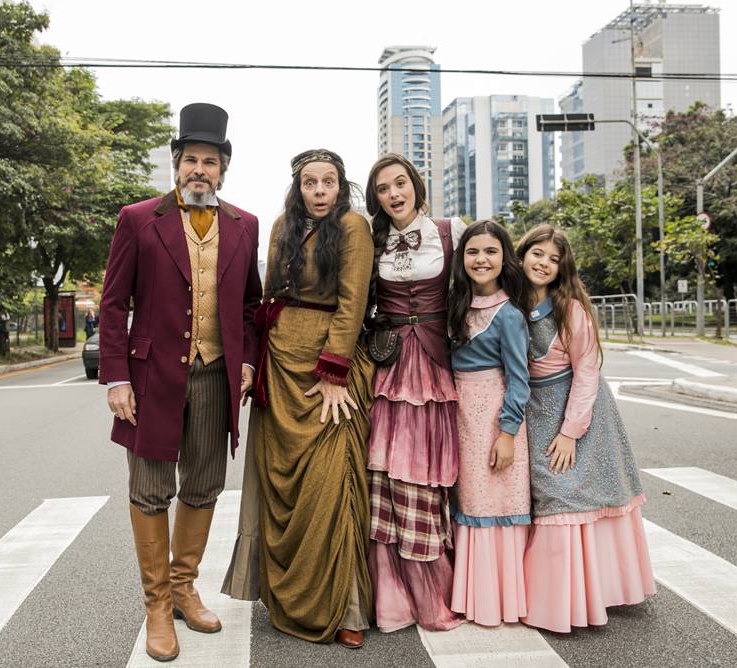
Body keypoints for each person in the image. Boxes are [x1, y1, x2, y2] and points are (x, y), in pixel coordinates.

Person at [99, 103, 261, 662]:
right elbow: (114, 302)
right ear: (175, 165)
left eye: (210, 162)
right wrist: (116, 376)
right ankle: (156, 605)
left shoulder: (245, 224)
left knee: (203, 484)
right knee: (149, 489)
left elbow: (248, 305)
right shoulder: (138, 218)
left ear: (223, 170)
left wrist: (246, 363)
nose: (200, 169)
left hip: (215, 375)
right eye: (190, 159)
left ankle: (185, 585)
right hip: (150, 378)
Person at [224, 149, 375, 648]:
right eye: (310, 182)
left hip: (325, 365)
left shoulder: (353, 226)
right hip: (279, 361)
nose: (319, 191)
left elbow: (353, 300)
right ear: (298, 187)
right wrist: (252, 362)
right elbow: (265, 298)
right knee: (277, 482)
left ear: (340, 185)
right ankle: (284, 598)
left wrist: (335, 371)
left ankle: (345, 607)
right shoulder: (279, 226)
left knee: (331, 485)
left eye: (328, 181)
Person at [515, 224, 656, 633]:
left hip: (577, 411)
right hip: (532, 410)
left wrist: (570, 430)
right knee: (548, 496)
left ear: (563, 269)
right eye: (537, 254)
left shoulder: (570, 307)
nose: (543, 263)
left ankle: (577, 598)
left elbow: (588, 370)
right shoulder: (509, 303)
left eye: (553, 259)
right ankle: (555, 596)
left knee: (570, 494)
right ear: (522, 254)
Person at [363, 154, 466, 632]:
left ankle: (436, 593)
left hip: (437, 368)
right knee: (384, 478)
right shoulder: (372, 240)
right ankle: (393, 599)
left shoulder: (451, 231)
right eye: (383, 189)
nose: (394, 194)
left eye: (400, 183)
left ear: (415, 185)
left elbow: (482, 288)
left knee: (427, 480)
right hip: (389, 371)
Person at [448, 220, 531, 626]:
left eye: (491, 252)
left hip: (494, 418)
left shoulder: (510, 314)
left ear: (504, 258)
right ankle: (470, 596)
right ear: (461, 259)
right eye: (473, 252)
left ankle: (498, 600)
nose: (482, 259)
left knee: (495, 500)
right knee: (468, 501)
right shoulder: (454, 307)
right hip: (460, 416)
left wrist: (508, 433)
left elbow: (519, 378)